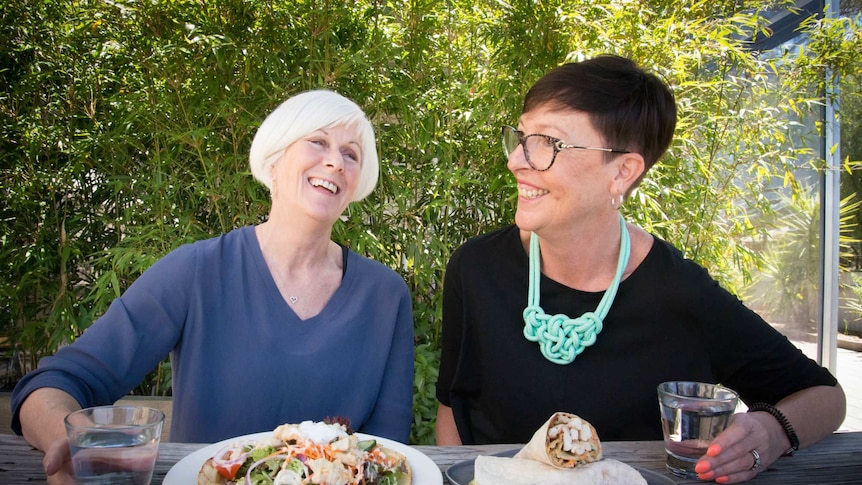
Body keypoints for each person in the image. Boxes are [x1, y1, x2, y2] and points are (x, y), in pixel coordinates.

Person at [435, 55, 845, 484]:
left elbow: (825, 397)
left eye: (547, 143)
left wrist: (769, 431)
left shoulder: (680, 292)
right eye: (521, 137)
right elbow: (453, 408)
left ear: (622, 172)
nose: (517, 160)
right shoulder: (476, 268)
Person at [11, 90, 415, 483]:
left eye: (351, 154)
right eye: (318, 142)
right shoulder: (196, 271)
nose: (335, 162)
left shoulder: (385, 296)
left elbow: (387, 453)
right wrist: (65, 444)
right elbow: (59, 381)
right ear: (275, 160)